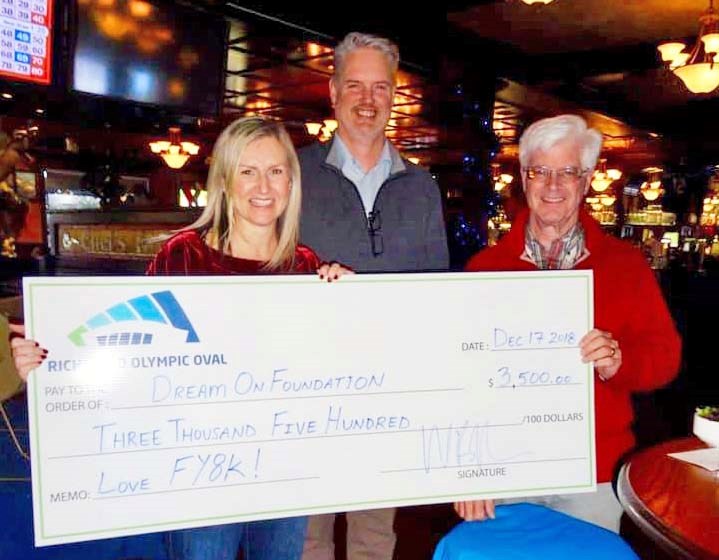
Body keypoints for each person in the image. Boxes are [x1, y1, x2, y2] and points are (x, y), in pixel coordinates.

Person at [10, 116, 352, 560]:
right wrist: (47, 361)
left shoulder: (308, 268)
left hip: (282, 469)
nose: (263, 186)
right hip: (197, 472)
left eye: (275, 171)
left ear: (291, 181)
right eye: (247, 171)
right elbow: (132, 348)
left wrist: (350, 307)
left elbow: (335, 370)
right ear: (225, 182)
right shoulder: (185, 255)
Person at [457, 114, 681, 532]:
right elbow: (463, 378)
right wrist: (470, 470)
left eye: (568, 173)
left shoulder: (625, 264)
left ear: (586, 179)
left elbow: (666, 357)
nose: (554, 186)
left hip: (591, 470)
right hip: (506, 468)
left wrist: (620, 361)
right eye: (541, 171)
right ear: (524, 178)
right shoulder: (485, 268)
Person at [298, 31, 449, 560]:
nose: (368, 100)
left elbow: (436, 296)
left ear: (394, 96)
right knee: (305, 537)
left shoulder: (423, 186)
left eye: (380, 87)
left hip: (387, 391)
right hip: (302, 388)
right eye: (355, 86)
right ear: (334, 92)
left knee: (373, 537)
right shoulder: (291, 174)